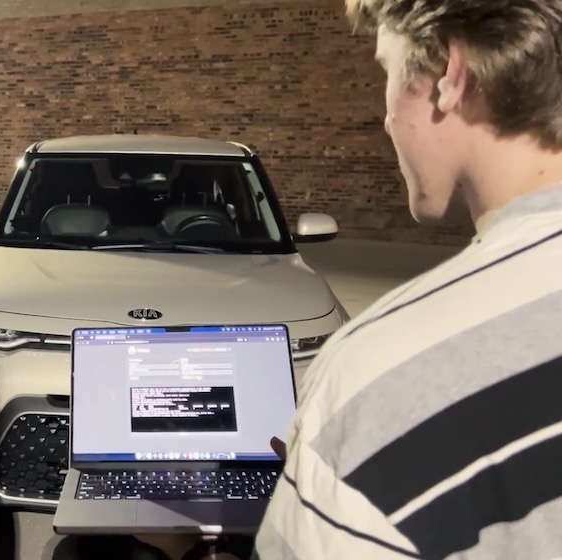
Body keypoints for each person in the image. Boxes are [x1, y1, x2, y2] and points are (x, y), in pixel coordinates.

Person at [145, 0, 562, 558]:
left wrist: (186, 548)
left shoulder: (379, 373)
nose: (386, 116)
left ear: (450, 76)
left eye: (386, 72)